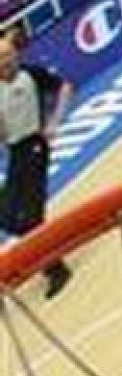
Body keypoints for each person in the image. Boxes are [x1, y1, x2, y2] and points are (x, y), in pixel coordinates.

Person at [0, 31, 74, 297]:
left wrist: (54, 122)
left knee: (31, 216)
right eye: (0, 57)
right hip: (14, 153)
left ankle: (56, 269)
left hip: (34, 145)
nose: (6, 60)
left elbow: (65, 86)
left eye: (8, 54)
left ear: (16, 54)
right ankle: (48, 243)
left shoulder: (30, 75)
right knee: (7, 217)